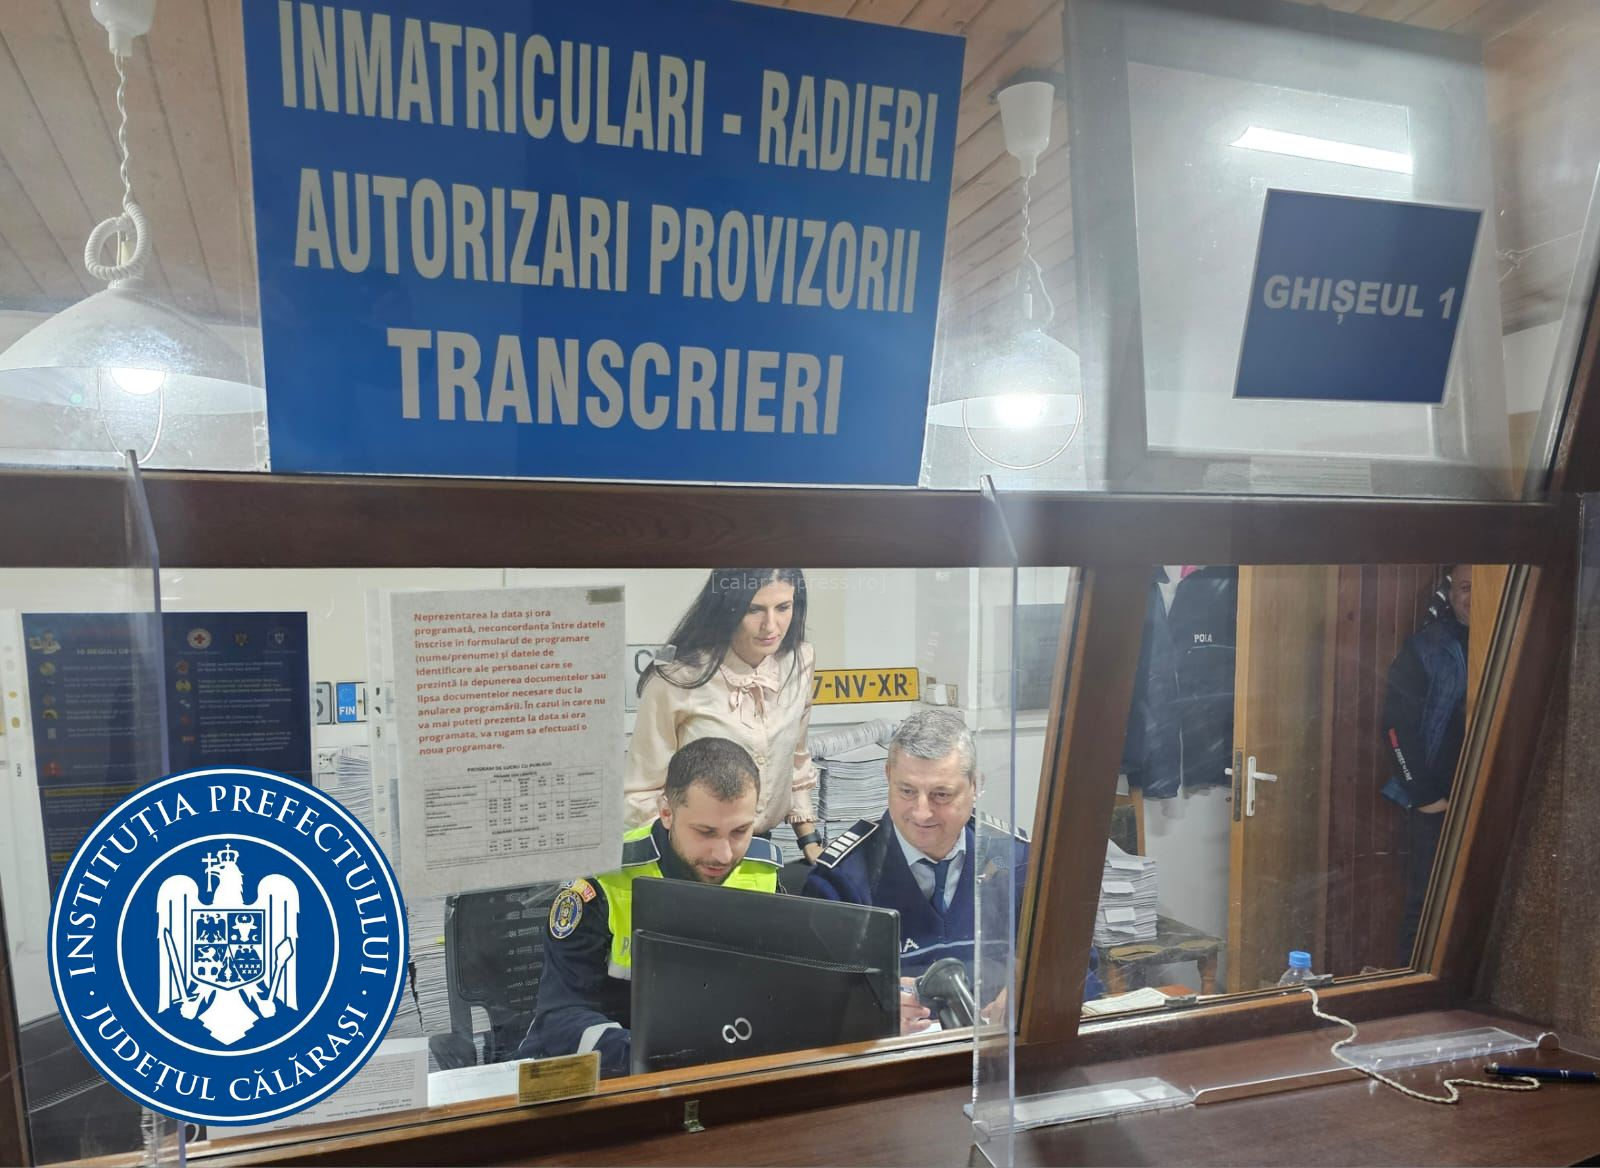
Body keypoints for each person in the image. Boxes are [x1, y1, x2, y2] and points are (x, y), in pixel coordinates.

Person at [801, 709, 1101, 1034]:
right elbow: (810, 1004)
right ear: (887, 775)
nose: (922, 812)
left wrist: (1037, 990)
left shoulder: (1017, 862)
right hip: (897, 1059)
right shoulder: (841, 880)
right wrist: (867, 1014)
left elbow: (1081, 968)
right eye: (906, 791)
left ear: (975, 785)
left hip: (1001, 1053)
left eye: (941, 794)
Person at [521, 737, 780, 1077]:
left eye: (740, 831)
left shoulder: (762, 874)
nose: (724, 854)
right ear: (667, 813)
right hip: (617, 1075)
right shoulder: (604, 880)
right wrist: (652, 1058)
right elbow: (561, 1017)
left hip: (721, 1071)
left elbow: (776, 996)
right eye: (705, 832)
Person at [625, 568, 825, 862]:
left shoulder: (800, 660)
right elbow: (640, 791)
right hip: (691, 853)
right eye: (754, 609)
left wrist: (809, 840)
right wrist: (682, 857)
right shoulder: (676, 677)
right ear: (728, 607)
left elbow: (795, 760)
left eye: (783, 607)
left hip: (760, 851)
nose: (771, 625)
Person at [1382, 564, 1472, 965]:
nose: (1472, 597)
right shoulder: (1425, 649)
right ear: (1450, 595)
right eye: (1464, 587)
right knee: (1425, 906)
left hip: (1492, 799)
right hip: (1438, 803)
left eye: (1481, 587)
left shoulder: (1517, 639)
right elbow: (1395, 727)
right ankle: (1411, 988)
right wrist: (1424, 796)